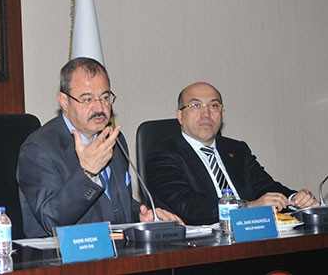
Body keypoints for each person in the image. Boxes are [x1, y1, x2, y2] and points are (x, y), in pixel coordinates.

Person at [16, 57, 182, 238]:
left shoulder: (113, 139)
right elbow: (51, 221)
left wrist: (141, 215)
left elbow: (113, 204)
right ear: (64, 101)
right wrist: (87, 173)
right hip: (63, 253)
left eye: (105, 97)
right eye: (87, 99)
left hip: (115, 249)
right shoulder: (39, 149)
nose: (99, 107)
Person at [146, 81, 320, 225]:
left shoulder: (237, 150)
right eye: (195, 105)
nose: (206, 113)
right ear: (180, 115)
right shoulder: (162, 154)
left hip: (252, 233)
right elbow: (189, 205)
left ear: (222, 114)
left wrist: (295, 199)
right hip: (199, 245)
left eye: (214, 106)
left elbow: (265, 186)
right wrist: (247, 207)